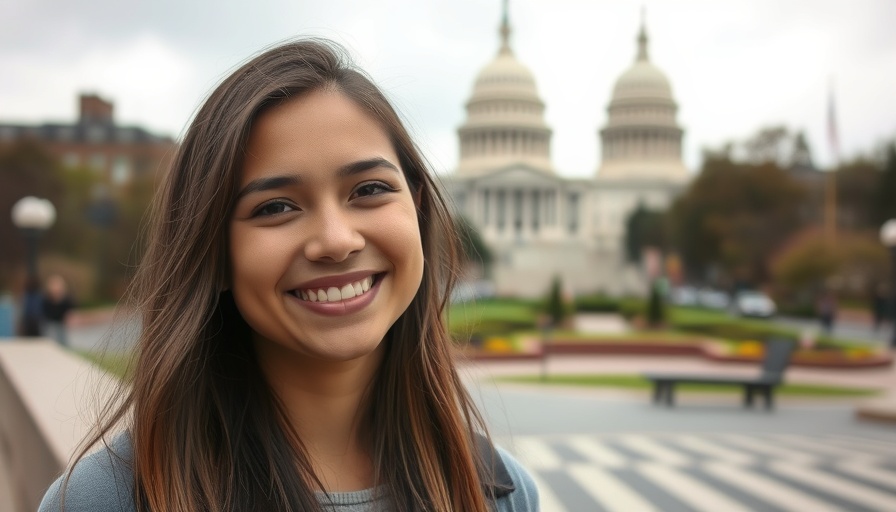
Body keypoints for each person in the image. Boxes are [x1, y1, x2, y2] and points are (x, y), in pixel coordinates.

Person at [40, 39, 538, 511]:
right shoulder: (107, 500)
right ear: (211, 251)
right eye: (276, 206)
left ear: (419, 209)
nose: (337, 240)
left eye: (368, 189)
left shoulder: (500, 492)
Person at [42, 274, 74, 347]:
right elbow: (45, 313)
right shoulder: (46, 300)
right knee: (49, 339)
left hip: (61, 324)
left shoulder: (66, 300)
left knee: (62, 341)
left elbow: (69, 311)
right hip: (50, 324)